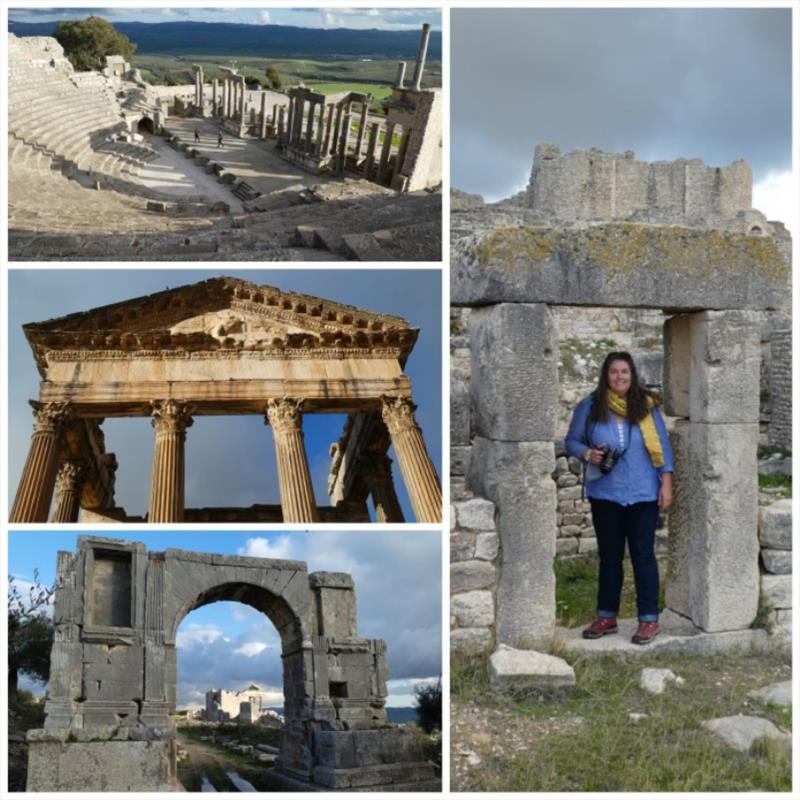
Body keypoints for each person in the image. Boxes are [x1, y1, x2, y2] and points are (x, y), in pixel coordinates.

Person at [565, 351, 673, 645]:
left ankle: (649, 620)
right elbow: (571, 441)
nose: (619, 377)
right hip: (606, 495)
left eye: (625, 372)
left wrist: (666, 484)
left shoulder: (647, 408)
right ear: (606, 375)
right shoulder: (590, 405)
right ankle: (606, 617)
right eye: (614, 372)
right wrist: (588, 453)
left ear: (632, 375)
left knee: (643, 556)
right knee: (610, 558)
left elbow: (662, 447)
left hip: (642, 493)